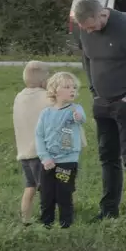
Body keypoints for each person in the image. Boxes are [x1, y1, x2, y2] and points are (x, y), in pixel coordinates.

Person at [74, 0, 126, 222]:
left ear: (100, 15)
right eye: (83, 29)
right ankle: (108, 210)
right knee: (108, 158)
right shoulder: (85, 30)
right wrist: (93, 90)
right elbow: (87, 60)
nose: (88, 32)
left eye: (90, 27)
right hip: (102, 103)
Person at [34, 71, 86, 229]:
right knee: (46, 195)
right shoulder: (46, 113)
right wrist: (45, 157)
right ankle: (46, 224)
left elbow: (82, 118)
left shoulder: (75, 109)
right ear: (55, 90)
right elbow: (39, 136)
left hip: (67, 162)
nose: (72, 90)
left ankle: (65, 225)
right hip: (49, 162)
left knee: (64, 193)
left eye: (74, 87)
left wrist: (78, 117)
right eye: (67, 87)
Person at [11, 61, 53, 223]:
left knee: (30, 186)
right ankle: (47, 219)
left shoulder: (19, 97)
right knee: (46, 188)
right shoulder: (46, 97)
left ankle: (25, 220)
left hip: (24, 151)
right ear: (44, 81)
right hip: (40, 152)